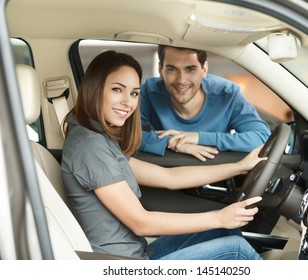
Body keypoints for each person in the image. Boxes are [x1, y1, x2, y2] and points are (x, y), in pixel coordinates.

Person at [61, 50, 266, 260]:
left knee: (223, 232)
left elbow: (169, 177)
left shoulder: (101, 138)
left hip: (137, 253)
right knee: (237, 249)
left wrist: (240, 166)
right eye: (117, 90)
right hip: (122, 265)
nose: (128, 102)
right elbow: (141, 223)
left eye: (133, 93)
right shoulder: (90, 146)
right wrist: (221, 218)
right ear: (94, 89)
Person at [140, 45, 271, 161]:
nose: (181, 80)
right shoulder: (149, 91)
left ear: (204, 69)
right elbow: (122, 134)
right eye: (172, 69)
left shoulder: (227, 94)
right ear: (160, 70)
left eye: (190, 69)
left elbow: (261, 137)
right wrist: (169, 141)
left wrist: (199, 138)